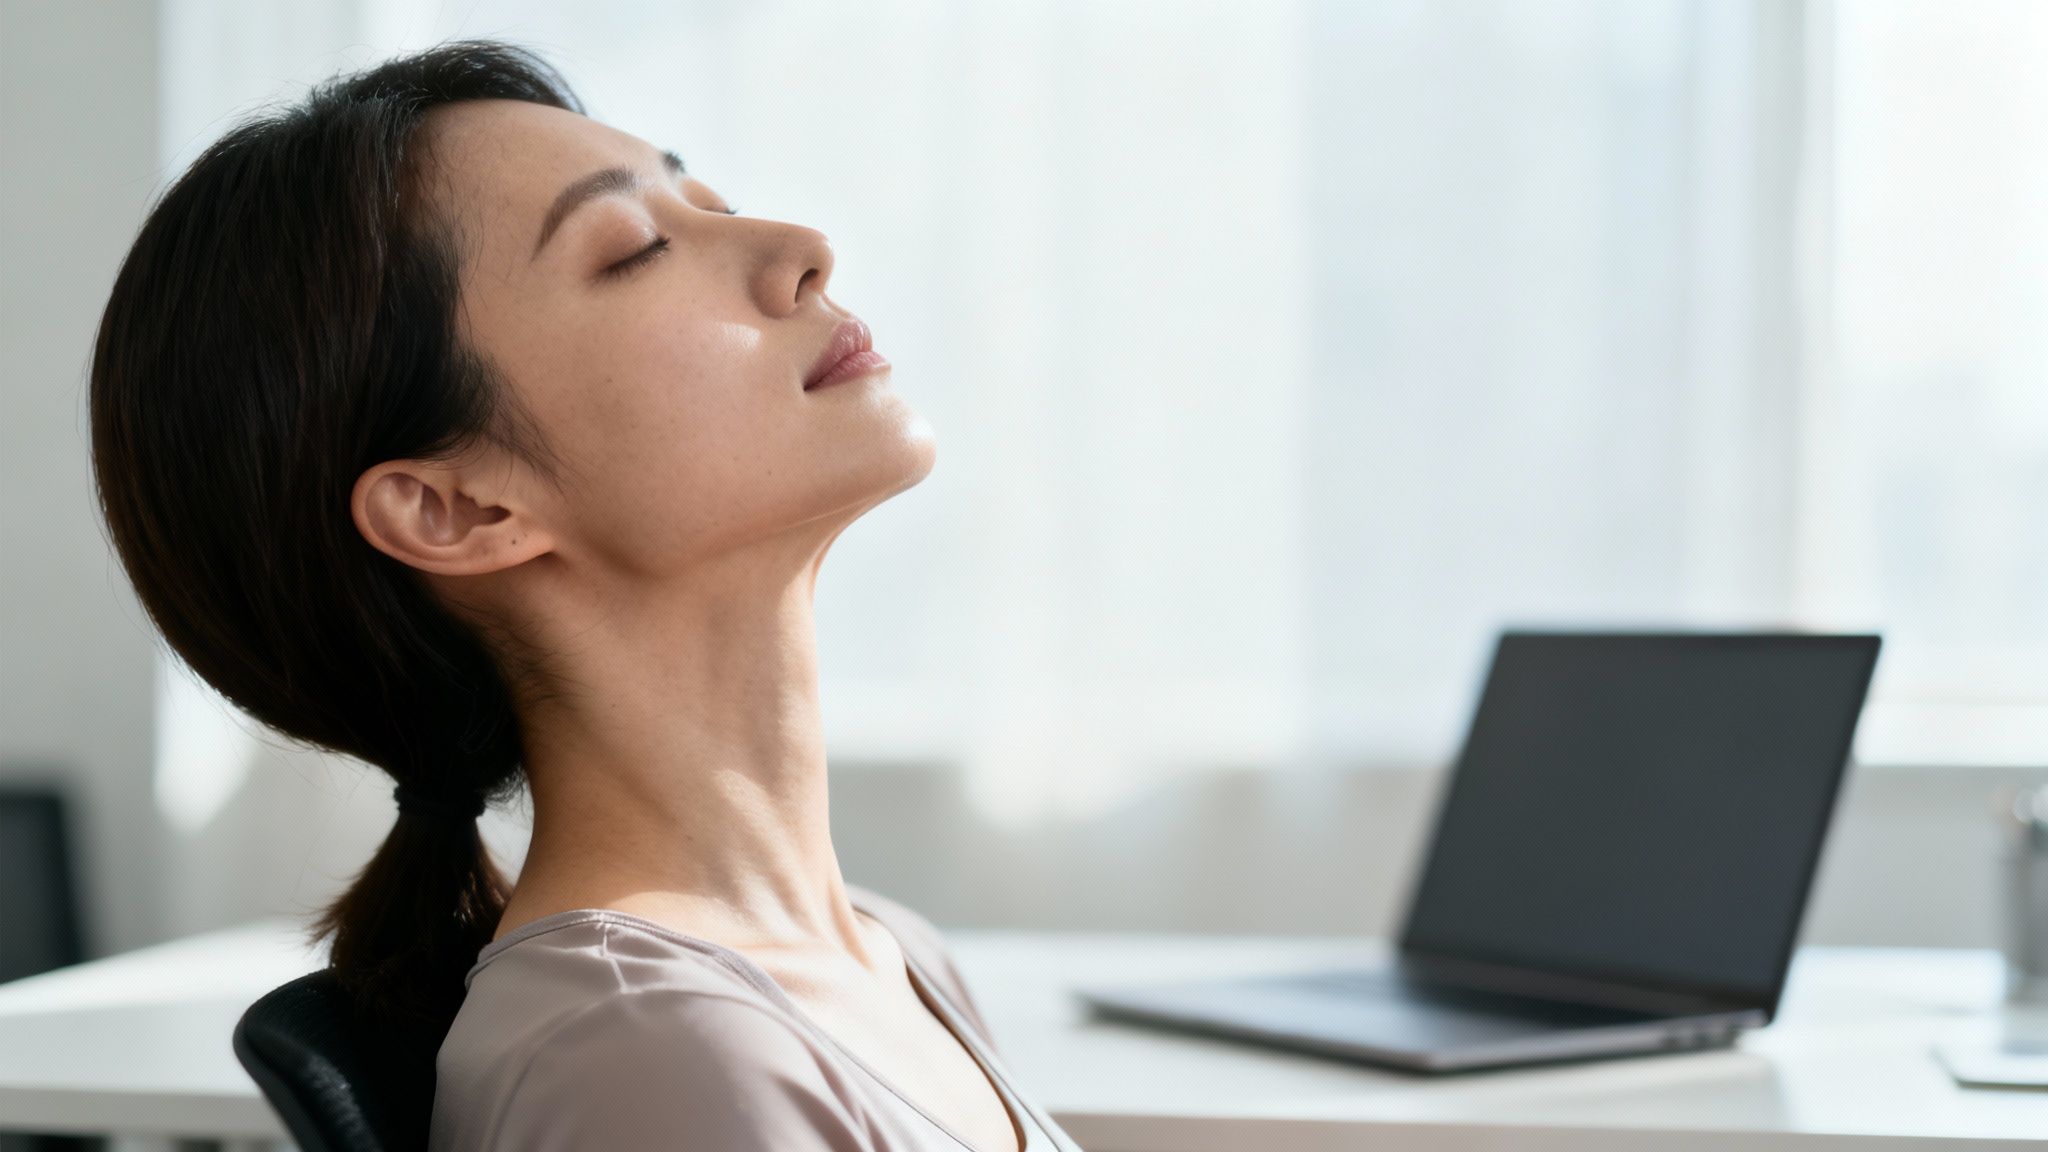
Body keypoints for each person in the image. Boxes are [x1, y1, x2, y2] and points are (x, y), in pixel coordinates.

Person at [89, 38, 1081, 1152]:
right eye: (639, 247)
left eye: (708, 200)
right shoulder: (649, 1054)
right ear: (454, 508)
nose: (801, 250)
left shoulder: (882, 954)